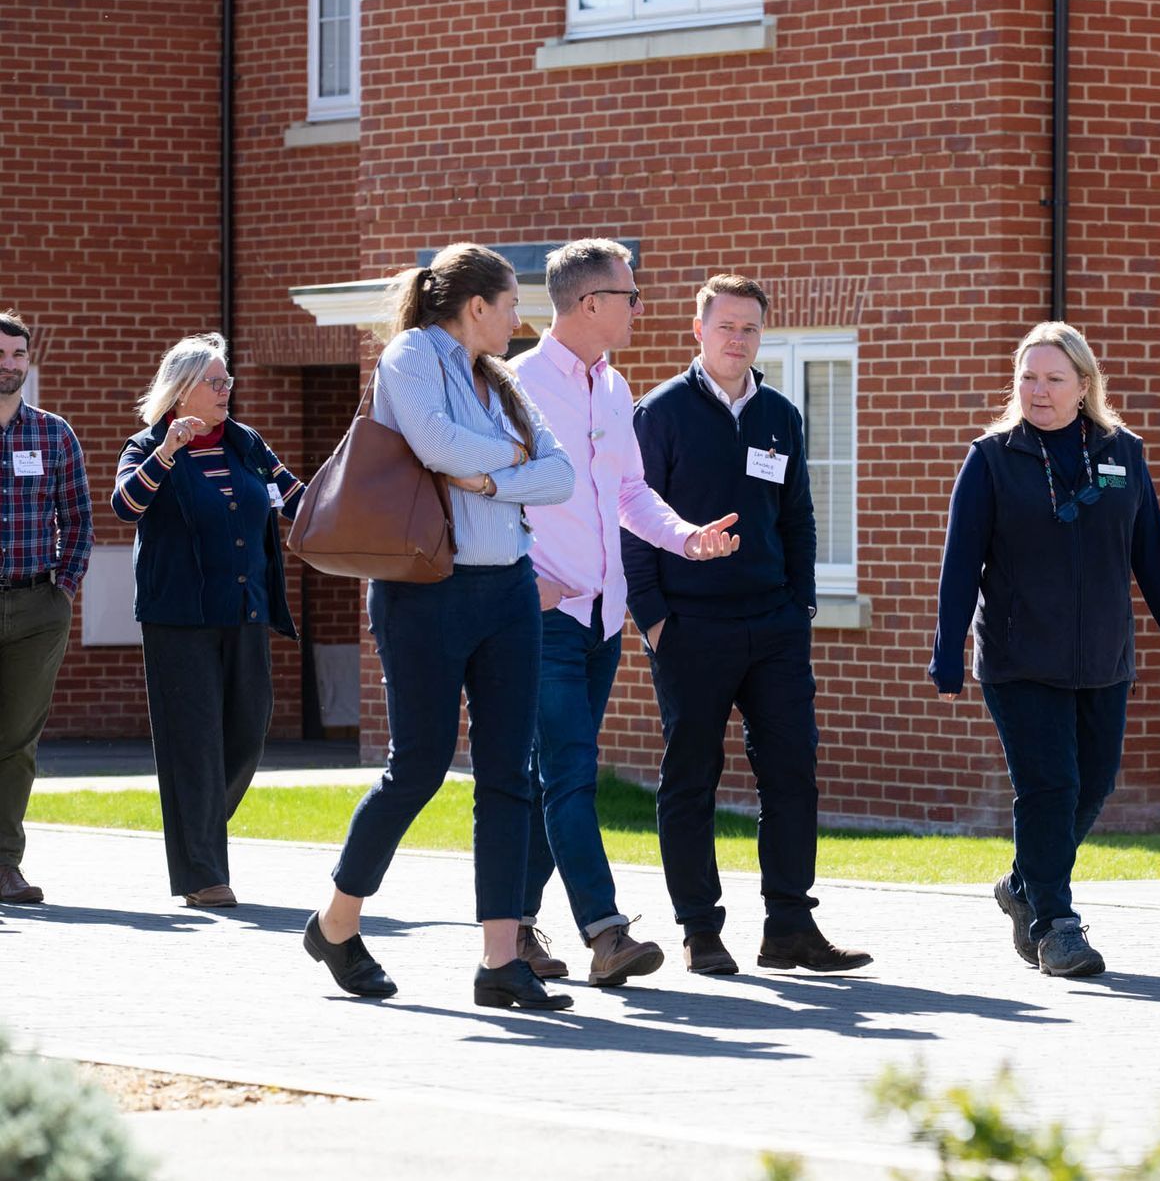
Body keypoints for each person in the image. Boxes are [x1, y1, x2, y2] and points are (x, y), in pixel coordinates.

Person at [304, 242, 578, 1011]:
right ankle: (336, 924)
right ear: (476, 307)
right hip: (425, 590)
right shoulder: (411, 355)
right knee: (418, 768)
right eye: (511, 305)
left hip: (509, 594)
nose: (521, 321)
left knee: (508, 776)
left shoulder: (503, 383)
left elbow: (560, 476)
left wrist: (493, 475)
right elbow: (434, 445)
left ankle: (500, 962)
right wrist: (515, 462)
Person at [929, 321, 1160, 978]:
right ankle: (1056, 924)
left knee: (1094, 781)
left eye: (1053, 378)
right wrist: (946, 650)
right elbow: (960, 564)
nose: (1038, 389)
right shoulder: (991, 459)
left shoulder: (1122, 453)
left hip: (1104, 656)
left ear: (1084, 386)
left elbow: (1153, 554)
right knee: (1049, 788)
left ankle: (1023, 884)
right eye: (1028, 377)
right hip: (1019, 658)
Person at [621, 273, 868, 976]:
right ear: (697, 331)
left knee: (792, 772)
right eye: (725, 326)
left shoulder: (781, 416)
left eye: (750, 328)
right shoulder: (658, 413)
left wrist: (802, 607)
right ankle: (701, 929)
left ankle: (790, 925)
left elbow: (797, 517)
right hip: (691, 627)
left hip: (775, 628)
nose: (738, 339)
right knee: (692, 777)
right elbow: (634, 522)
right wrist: (656, 620)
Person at [511, 239, 741, 987]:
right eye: (630, 296)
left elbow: (631, 495)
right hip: (541, 616)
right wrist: (521, 578)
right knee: (573, 771)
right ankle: (606, 933)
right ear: (589, 304)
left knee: (556, 778)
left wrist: (686, 539)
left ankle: (510, 928)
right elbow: (470, 494)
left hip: (602, 621)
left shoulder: (614, 391)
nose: (640, 307)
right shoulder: (512, 388)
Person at [111, 333, 302, 908]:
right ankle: (202, 874)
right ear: (182, 389)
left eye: (227, 382)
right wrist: (165, 451)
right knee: (191, 743)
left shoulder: (246, 444)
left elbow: (296, 498)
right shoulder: (146, 445)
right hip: (178, 617)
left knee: (249, 725)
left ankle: (196, 833)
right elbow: (125, 505)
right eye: (215, 382)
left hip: (244, 609)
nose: (226, 391)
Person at [0, 310, 93, 906]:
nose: (9, 366)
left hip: (37, 607)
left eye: (17, 356)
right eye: (0, 355)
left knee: (17, 742)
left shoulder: (53, 434)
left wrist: (63, 588)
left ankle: (5, 864)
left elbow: (79, 520)